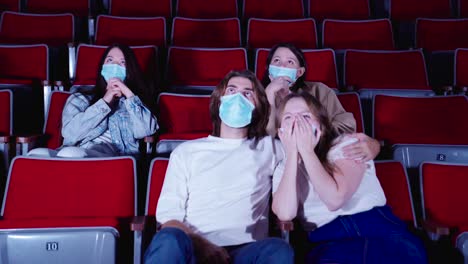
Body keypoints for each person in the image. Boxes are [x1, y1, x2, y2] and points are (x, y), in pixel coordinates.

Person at [144, 70, 293, 264]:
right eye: (231, 90)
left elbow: (307, 142)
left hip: (246, 250)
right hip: (193, 247)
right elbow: (169, 220)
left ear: (257, 107)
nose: (238, 97)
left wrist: (284, 100)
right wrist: (204, 246)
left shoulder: (270, 148)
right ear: (219, 101)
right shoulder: (186, 152)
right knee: (168, 238)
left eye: (248, 93)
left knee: (279, 249)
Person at [272, 91, 427, 263]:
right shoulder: (283, 168)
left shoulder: (346, 144)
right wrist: (293, 153)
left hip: (376, 228)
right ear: (281, 132)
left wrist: (308, 152)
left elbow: (335, 198)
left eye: (305, 116)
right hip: (327, 239)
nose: (297, 123)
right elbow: (285, 213)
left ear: (321, 126)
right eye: (288, 118)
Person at [28, 43, 158, 158]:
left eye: (122, 62)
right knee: (36, 154)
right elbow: (70, 134)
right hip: (75, 149)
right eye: (110, 60)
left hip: (112, 156)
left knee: (71, 154)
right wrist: (105, 100)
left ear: (129, 72)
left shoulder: (133, 103)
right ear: (102, 68)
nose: (115, 66)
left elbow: (146, 130)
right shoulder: (80, 98)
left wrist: (128, 92)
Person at [263, 42, 380, 162]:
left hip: (319, 153)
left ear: (299, 72)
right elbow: (263, 138)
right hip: (275, 158)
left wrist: (314, 133)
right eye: (276, 60)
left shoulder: (320, 90)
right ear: (269, 68)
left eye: (290, 62)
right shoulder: (257, 94)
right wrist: (269, 96)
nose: (282, 66)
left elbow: (346, 125)